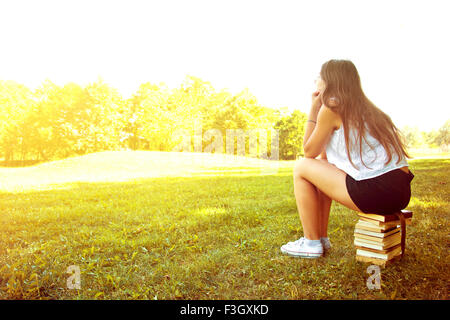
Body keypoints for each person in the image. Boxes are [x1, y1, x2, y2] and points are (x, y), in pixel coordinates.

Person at [281, 59, 414, 258]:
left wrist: (314, 108)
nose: (316, 80)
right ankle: (321, 239)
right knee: (320, 167)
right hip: (401, 192)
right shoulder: (370, 110)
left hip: (376, 190)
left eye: (319, 77)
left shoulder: (332, 108)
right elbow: (323, 160)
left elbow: (308, 152)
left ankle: (310, 243)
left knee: (301, 167)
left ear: (329, 81)